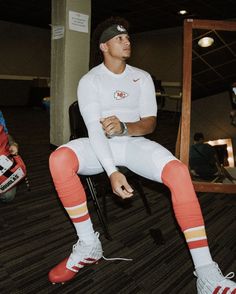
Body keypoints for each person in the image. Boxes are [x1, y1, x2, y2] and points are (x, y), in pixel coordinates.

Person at [48, 17, 236, 293]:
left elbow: (149, 123)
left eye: (127, 37)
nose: (127, 41)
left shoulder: (142, 77)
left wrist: (126, 127)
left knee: (178, 172)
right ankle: (89, 243)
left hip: (133, 143)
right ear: (103, 46)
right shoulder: (90, 80)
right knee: (59, 159)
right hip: (99, 144)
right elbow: (93, 130)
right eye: (119, 38)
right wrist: (112, 171)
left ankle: (206, 273)